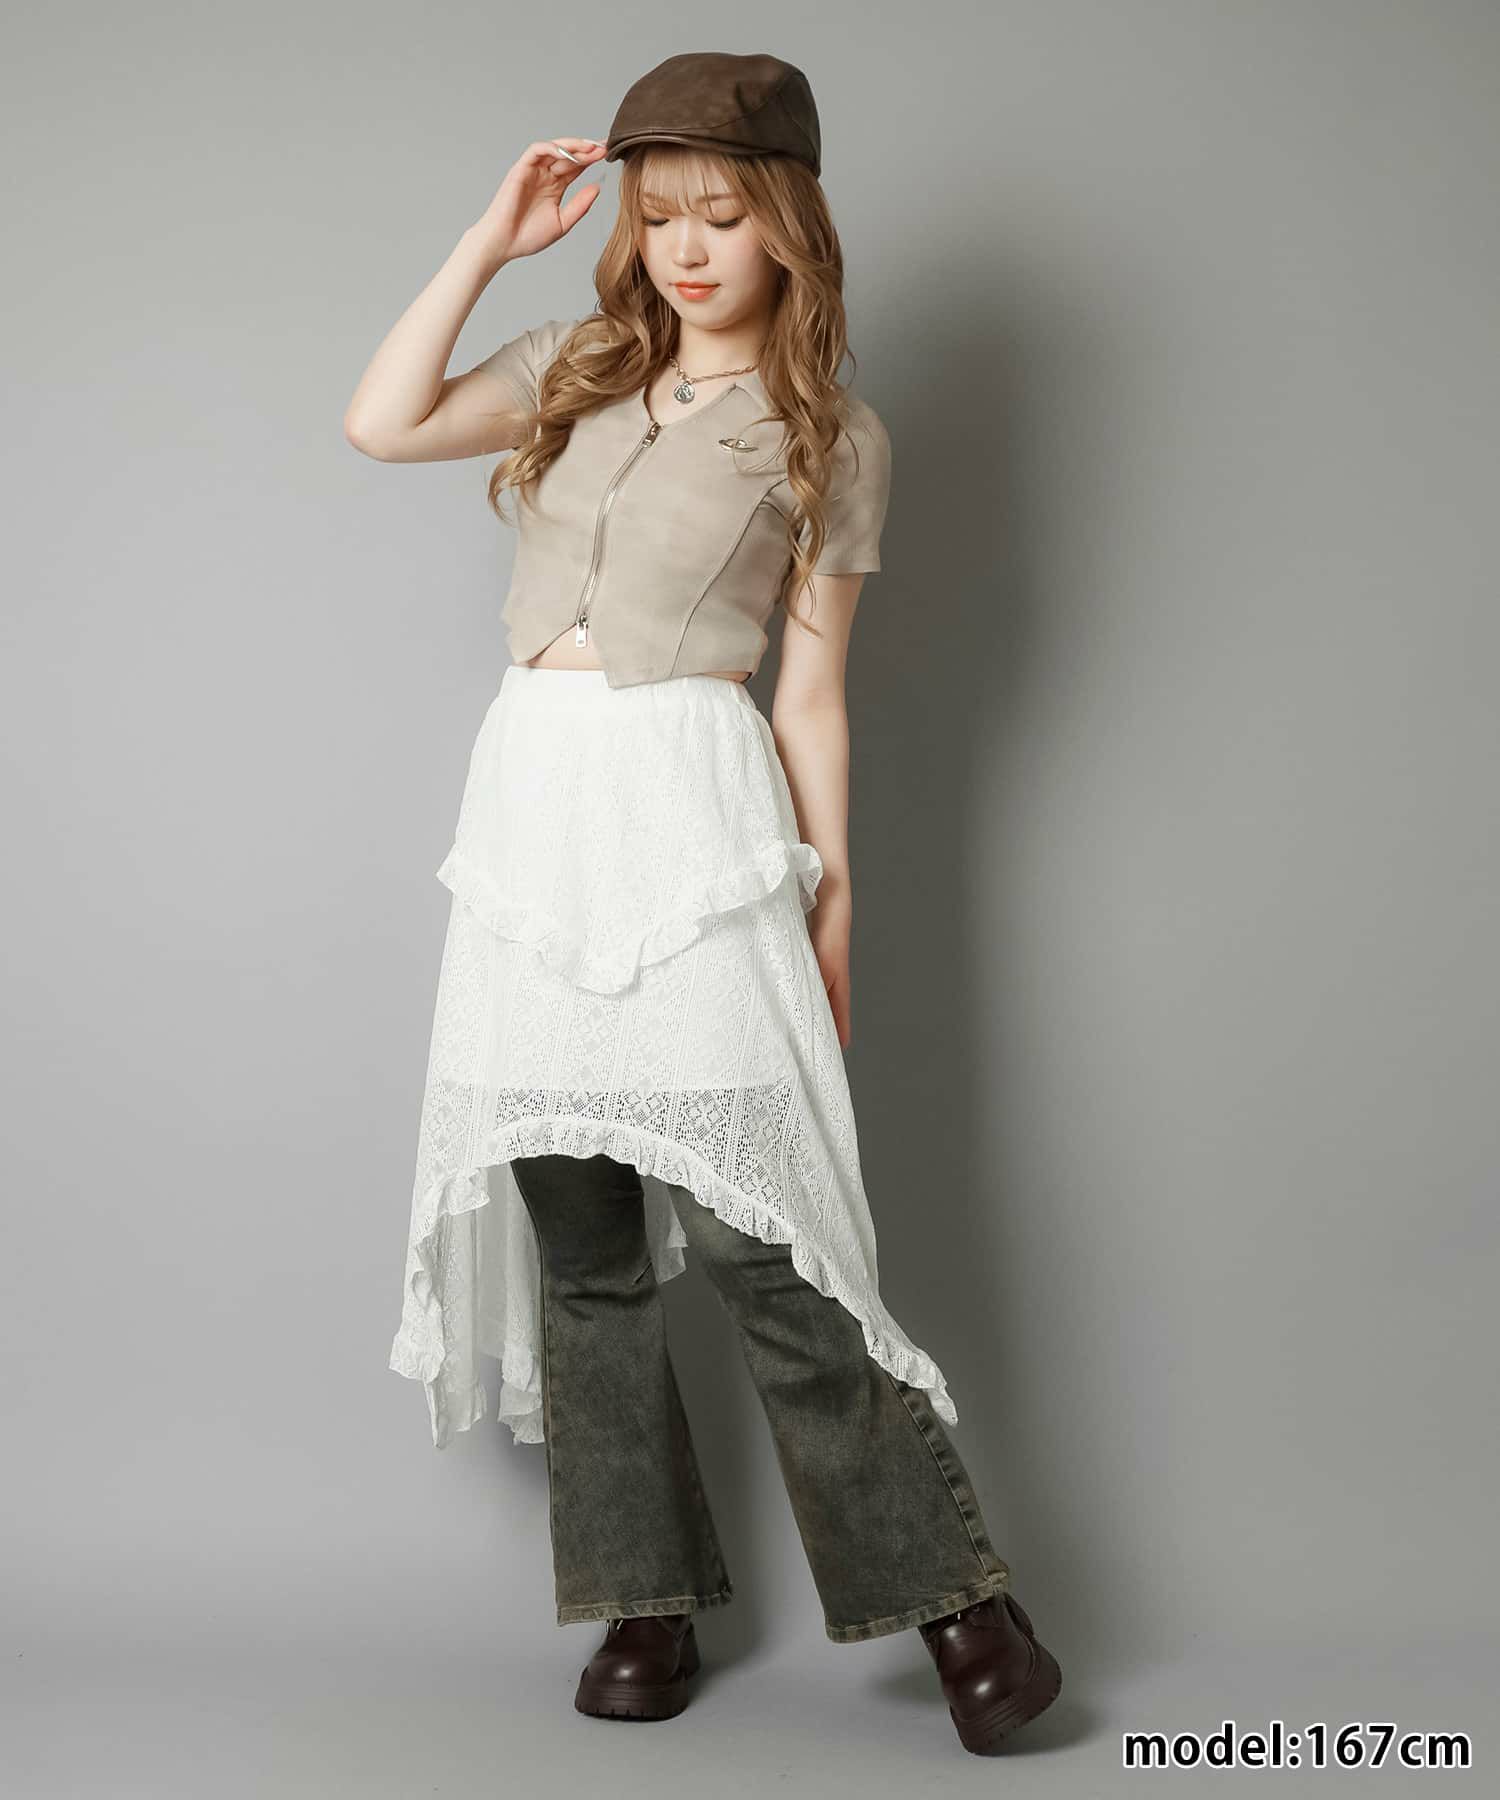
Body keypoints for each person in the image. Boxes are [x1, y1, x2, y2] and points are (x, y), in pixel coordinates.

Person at [346, 50, 1062, 1756]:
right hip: (533, 810)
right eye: (659, 213)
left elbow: (810, 694)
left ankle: (963, 1608)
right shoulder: (572, 366)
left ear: (788, 227)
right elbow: (381, 421)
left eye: (721, 215)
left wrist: (832, 898)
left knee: (766, 1241)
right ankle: (641, 1605)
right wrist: (491, 240)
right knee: (580, 1244)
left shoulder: (829, 436)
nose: (684, 246)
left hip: (692, 806)